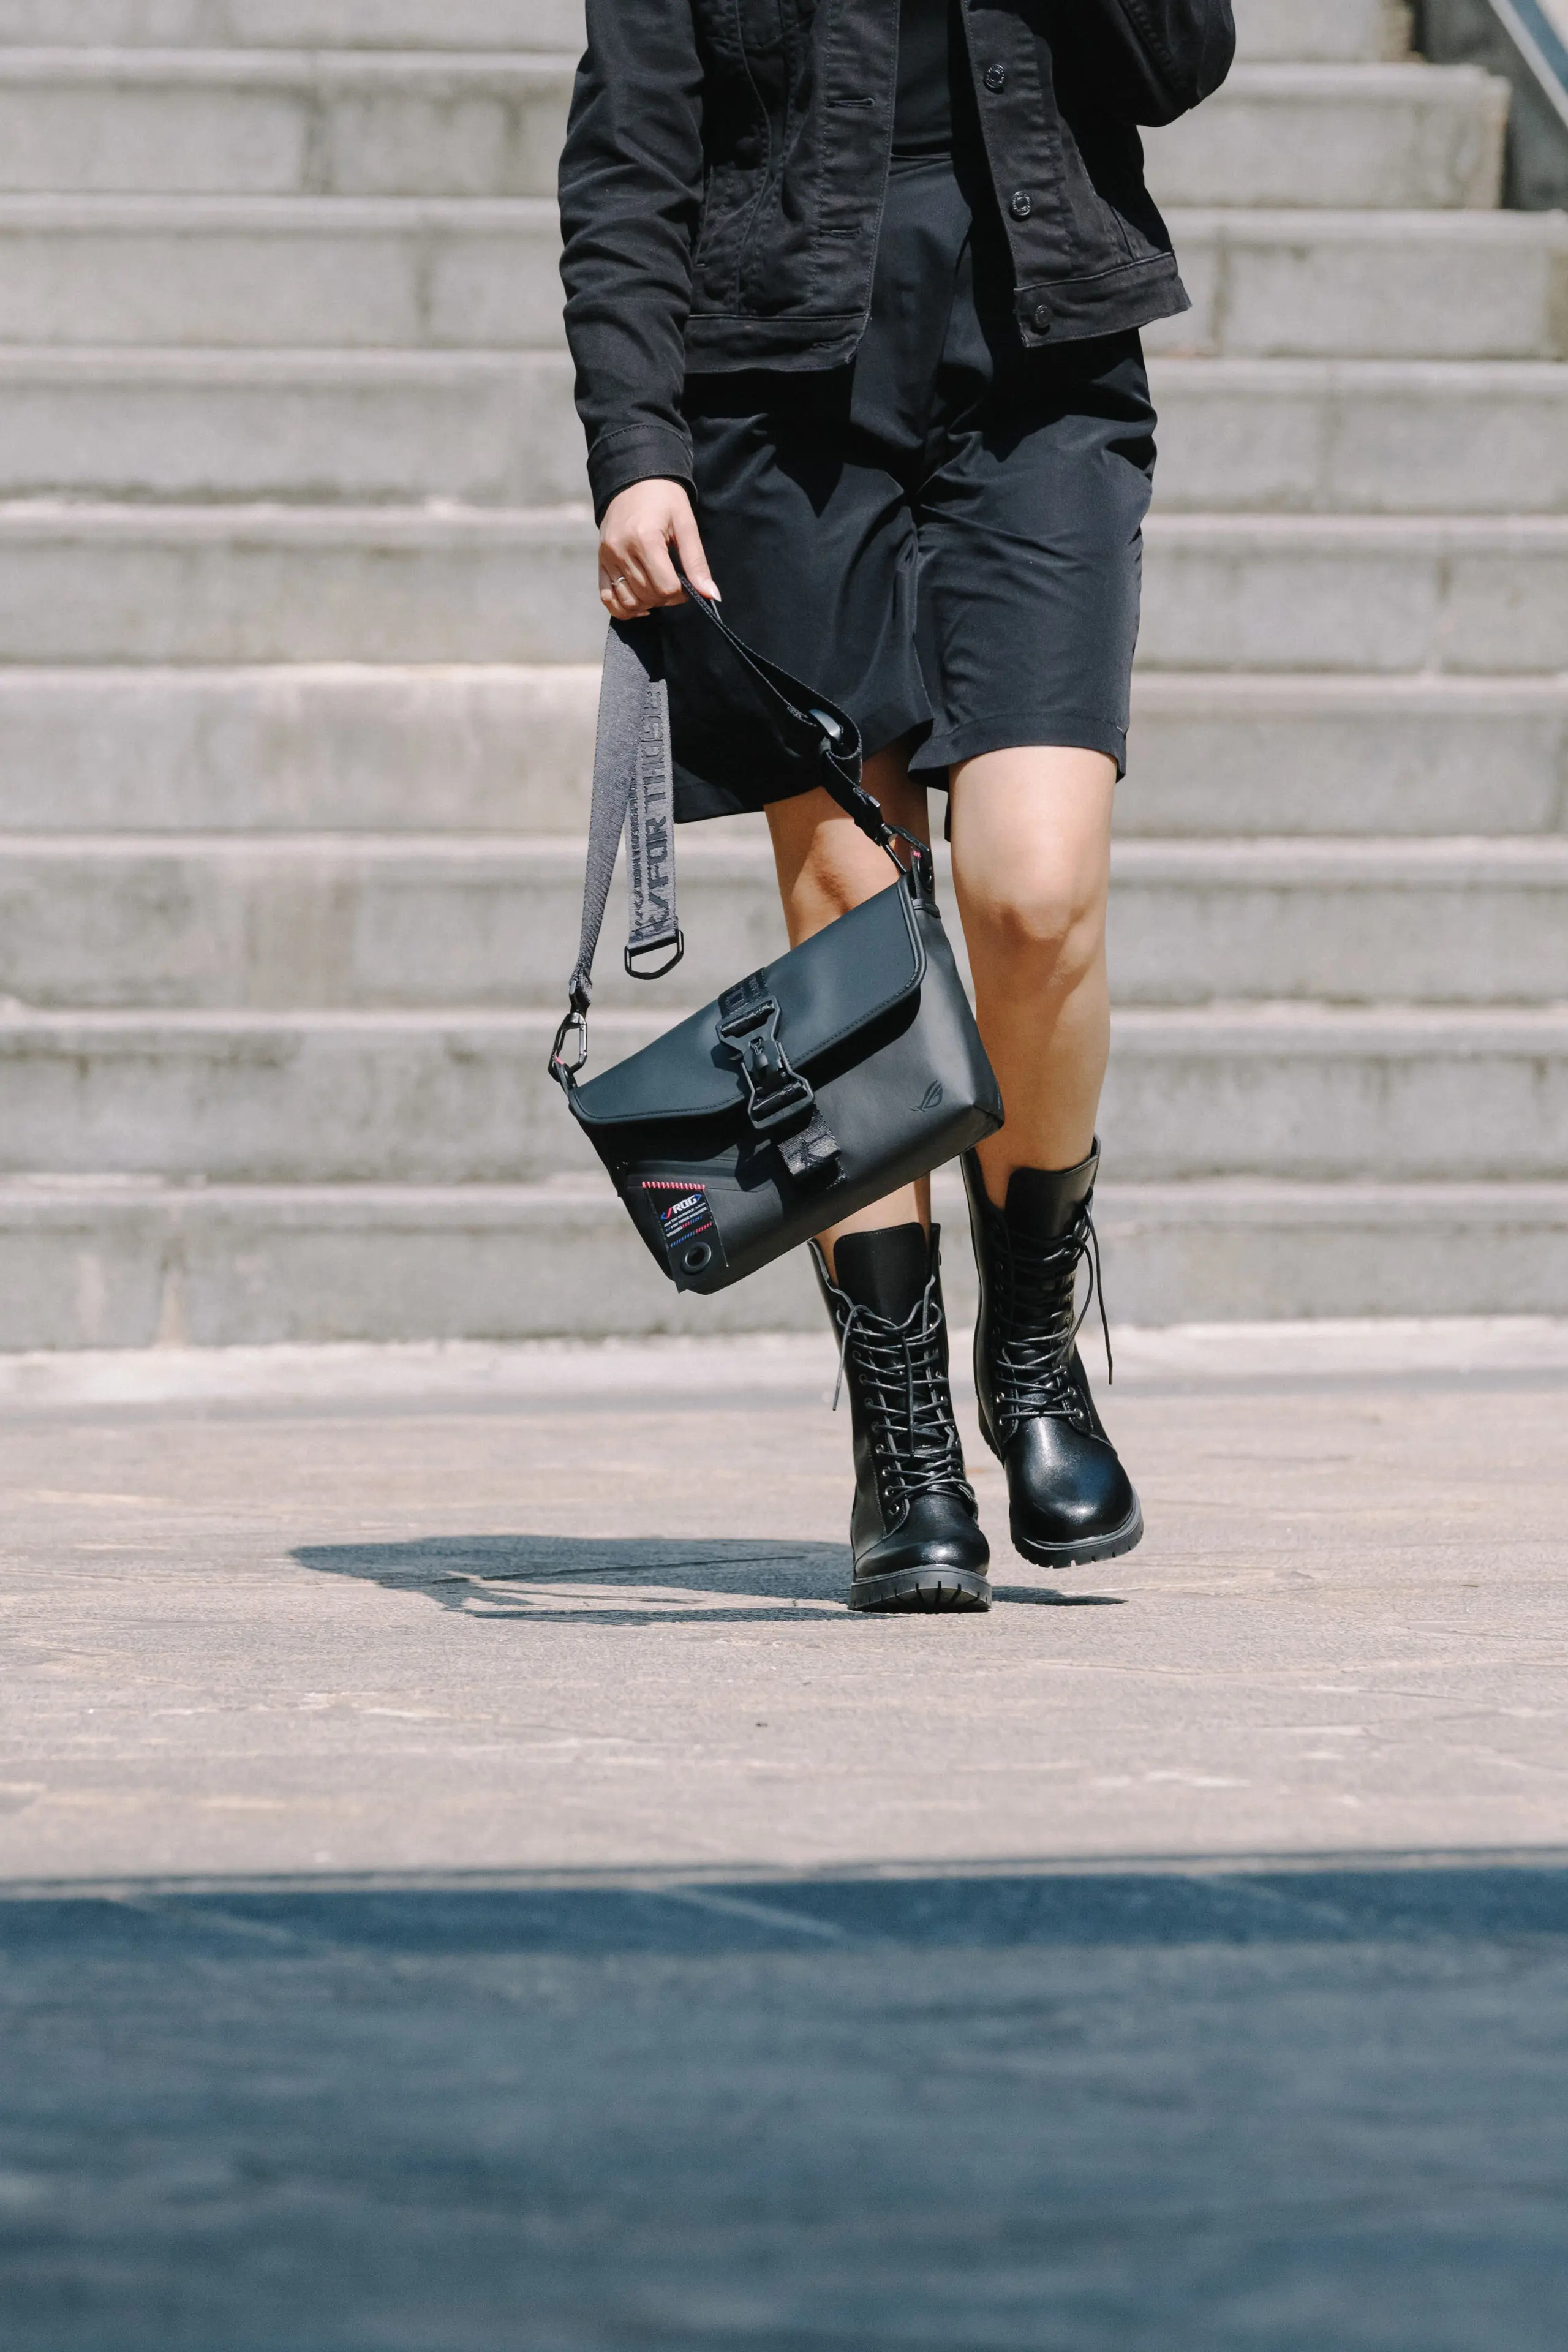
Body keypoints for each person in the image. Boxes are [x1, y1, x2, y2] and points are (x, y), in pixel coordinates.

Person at [559, 0, 1236, 1613]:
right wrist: (635, 449)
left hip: (1043, 379)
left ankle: (1029, 1340)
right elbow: (630, 153)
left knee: (1033, 890)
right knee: (854, 924)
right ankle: (905, 1438)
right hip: (783, 402)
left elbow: (1179, 63)